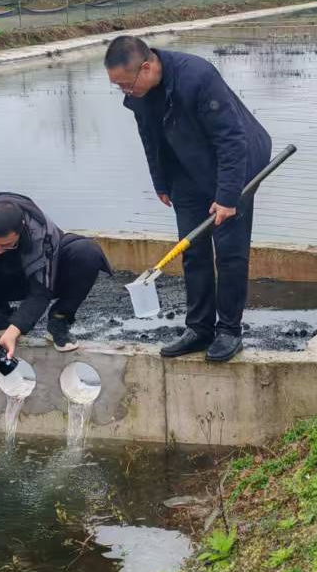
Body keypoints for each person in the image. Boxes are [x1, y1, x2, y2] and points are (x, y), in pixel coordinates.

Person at [104, 35, 271, 363]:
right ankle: (199, 328)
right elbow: (149, 136)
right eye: (118, 86)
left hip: (235, 167)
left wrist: (227, 196)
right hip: (186, 169)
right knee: (192, 250)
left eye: (125, 84)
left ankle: (229, 331)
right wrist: (161, 181)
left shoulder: (197, 77)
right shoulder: (139, 93)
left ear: (147, 68)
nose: (124, 91)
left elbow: (231, 139)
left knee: (229, 252)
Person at [0, 193, 112, 357]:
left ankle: (59, 319)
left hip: (32, 279)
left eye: (7, 244)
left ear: (22, 228)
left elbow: (42, 290)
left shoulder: (44, 233)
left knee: (87, 252)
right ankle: (1, 313)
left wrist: (16, 329)